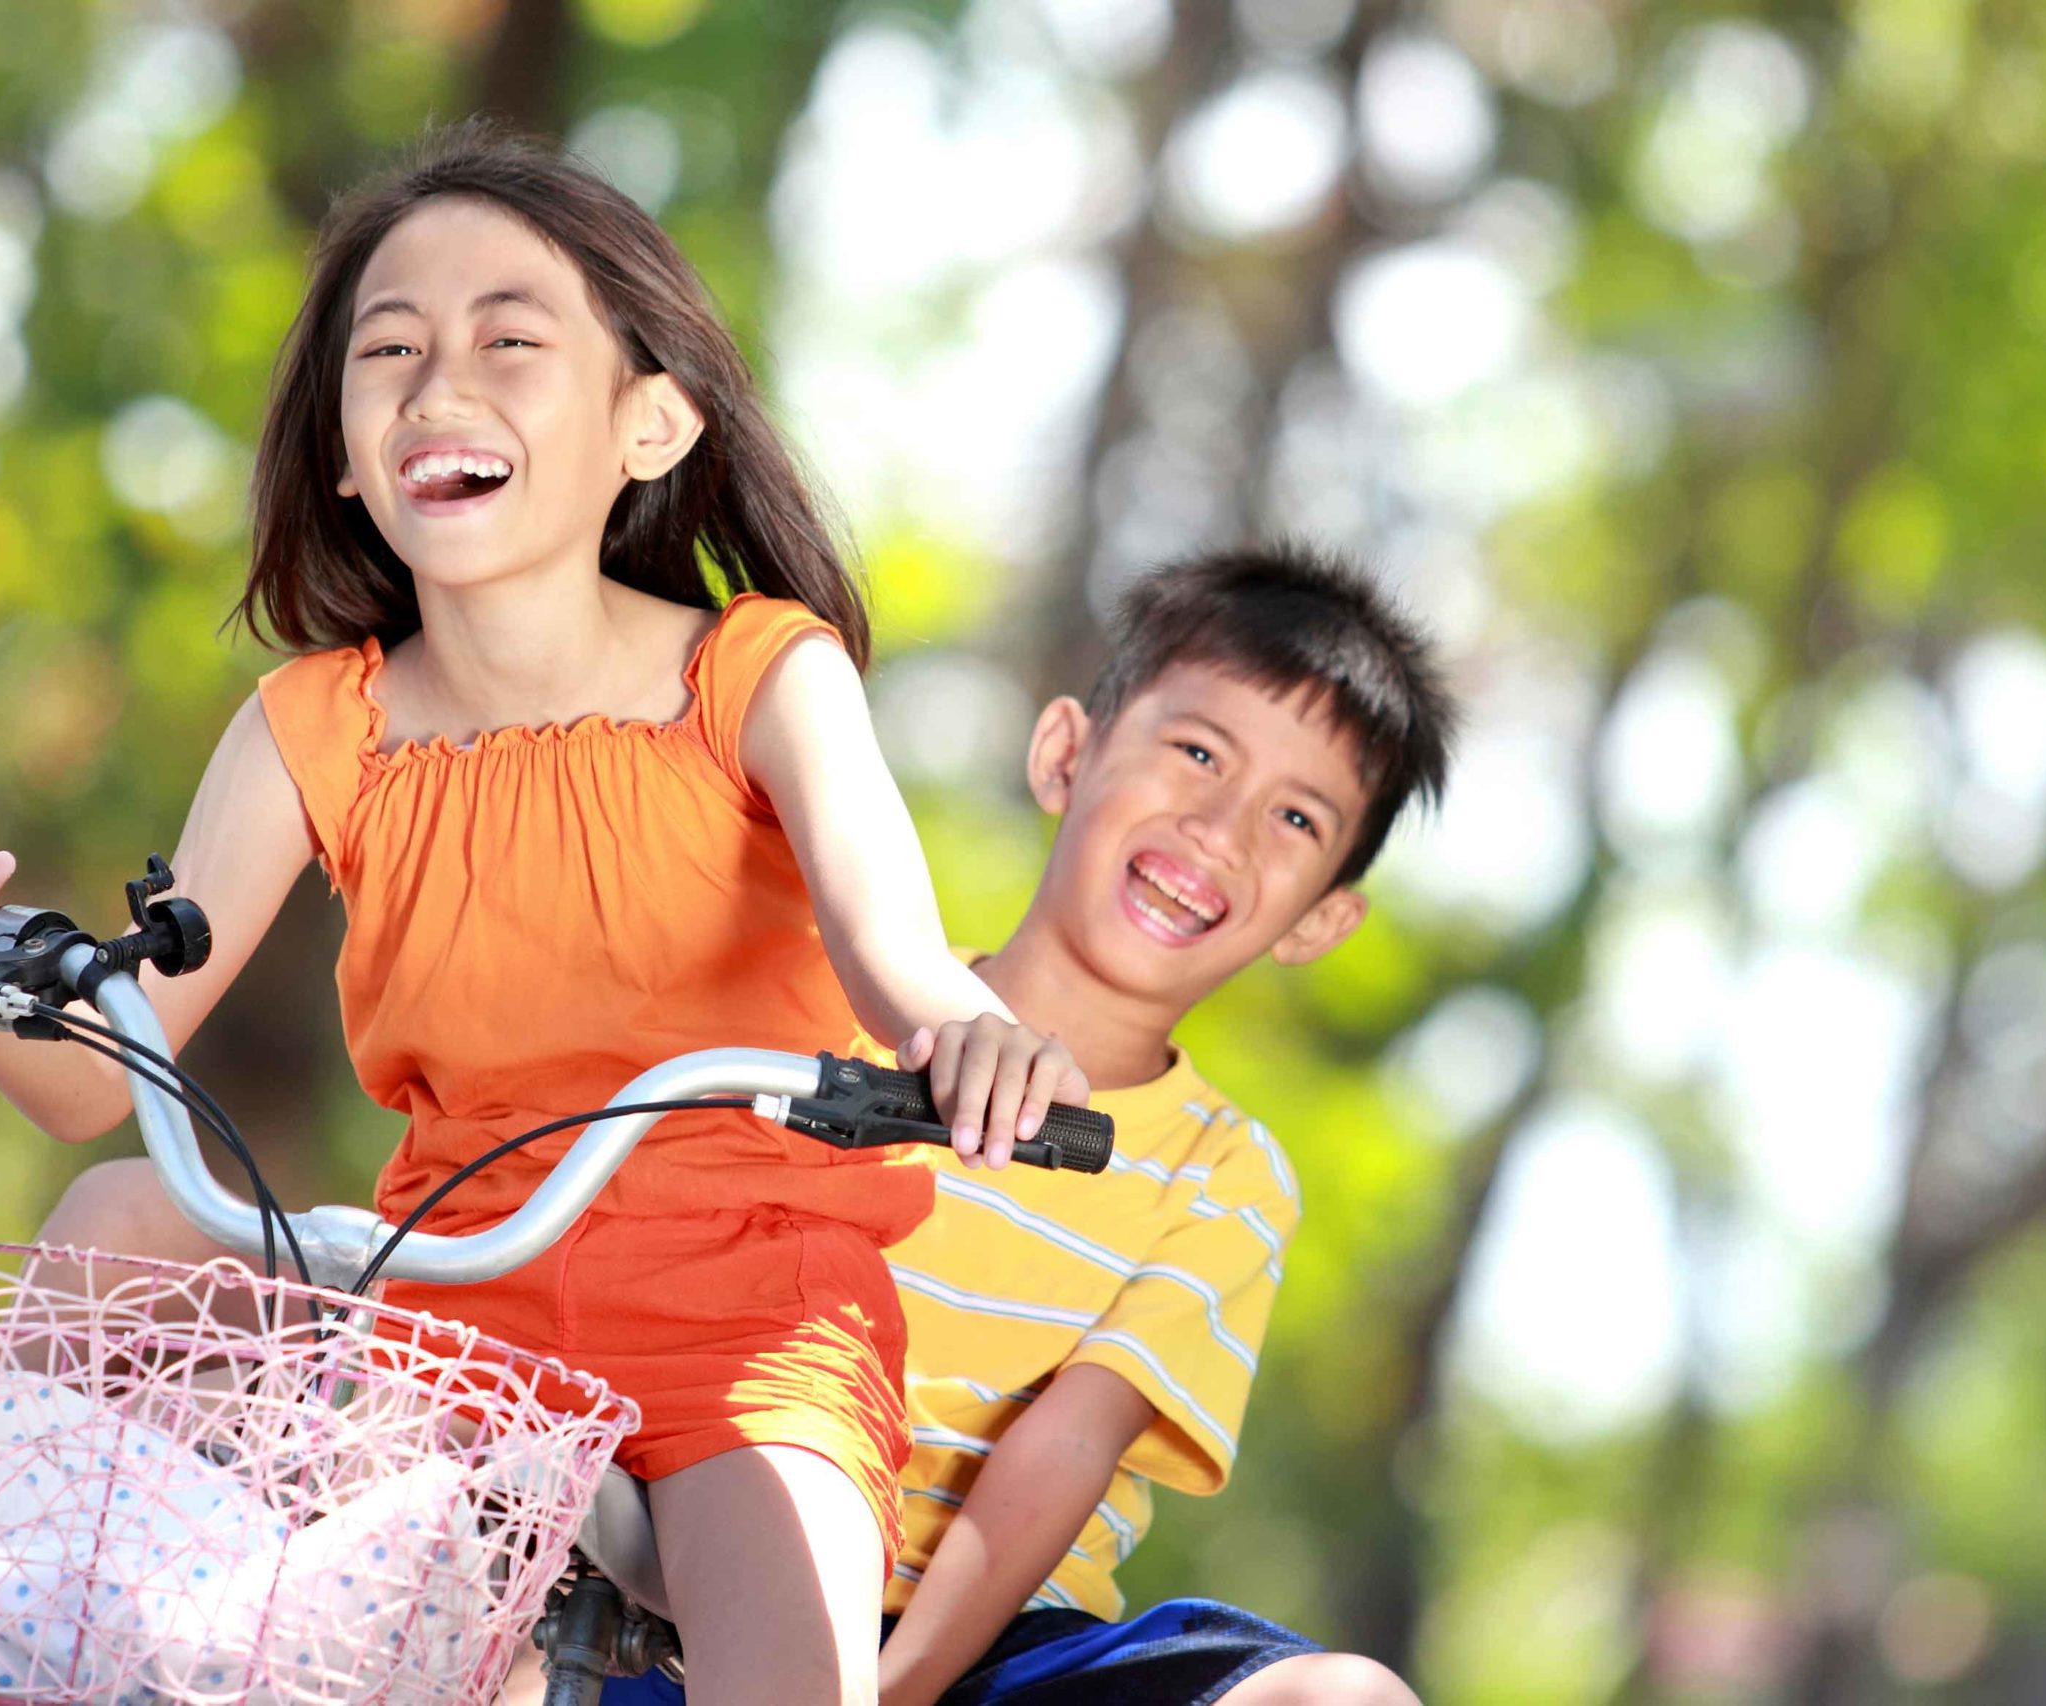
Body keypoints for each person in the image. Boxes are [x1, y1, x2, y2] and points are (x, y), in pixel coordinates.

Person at [0, 121, 1085, 1706]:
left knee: (796, 1659)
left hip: (744, 1312)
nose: (437, 386)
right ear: (345, 452)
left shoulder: (761, 675)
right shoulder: (315, 724)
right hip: (450, 1290)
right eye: (389, 351)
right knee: (119, 1224)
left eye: (510, 341)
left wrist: (973, 1039)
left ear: (651, 418)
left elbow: (902, 965)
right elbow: (96, 1076)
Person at [605, 544, 1452, 1705]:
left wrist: (891, 1689)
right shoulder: (828, 1014)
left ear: (1320, 919)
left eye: (1295, 816)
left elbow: (1061, 1446)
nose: (1220, 826)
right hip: (702, 1583)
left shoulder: (1222, 1173)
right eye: (1197, 751)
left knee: (1347, 1697)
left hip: (991, 1643)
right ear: (1065, 752)